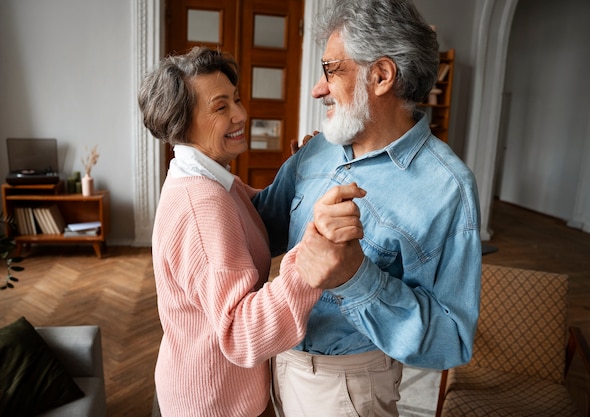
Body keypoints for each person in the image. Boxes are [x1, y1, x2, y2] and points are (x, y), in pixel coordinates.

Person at [253, 0, 482, 415]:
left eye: (331, 69)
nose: (317, 89)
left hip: (348, 387)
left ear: (380, 76)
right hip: (273, 363)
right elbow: (259, 225)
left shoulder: (448, 189)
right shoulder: (318, 149)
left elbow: (452, 339)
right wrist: (201, 176)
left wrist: (354, 277)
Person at [137, 46, 365, 417]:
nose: (241, 114)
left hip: (211, 389)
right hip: (213, 403)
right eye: (220, 106)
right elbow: (241, 332)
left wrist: (300, 173)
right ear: (182, 123)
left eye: (237, 99)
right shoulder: (202, 205)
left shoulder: (206, 179)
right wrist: (309, 263)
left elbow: (257, 223)